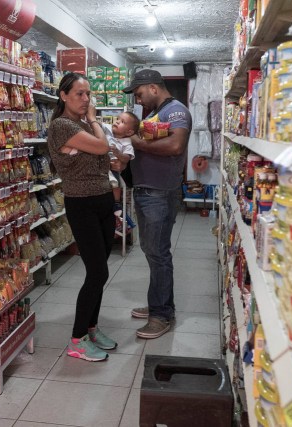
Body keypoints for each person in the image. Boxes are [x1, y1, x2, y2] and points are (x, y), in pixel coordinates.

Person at [47, 72, 118, 362]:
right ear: (63, 95)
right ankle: (77, 340)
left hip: (102, 199)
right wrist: (93, 120)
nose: (86, 99)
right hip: (82, 203)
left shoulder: (78, 125)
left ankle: (91, 327)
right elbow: (103, 147)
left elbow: (105, 156)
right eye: (79, 93)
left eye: (88, 94)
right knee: (97, 271)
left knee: (101, 270)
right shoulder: (62, 126)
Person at [122, 69, 192, 339]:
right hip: (148, 192)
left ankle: (161, 315)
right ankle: (158, 304)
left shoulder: (175, 111)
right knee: (152, 251)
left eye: (139, 94)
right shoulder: (153, 114)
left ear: (153, 87)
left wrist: (135, 142)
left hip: (159, 194)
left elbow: (175, 146)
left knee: (159, 254)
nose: (138, 100)